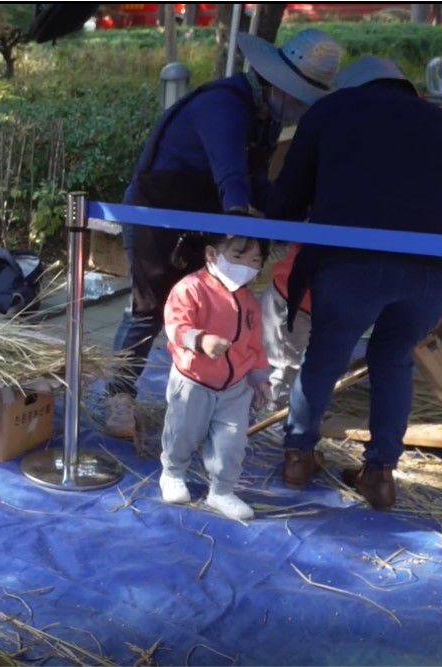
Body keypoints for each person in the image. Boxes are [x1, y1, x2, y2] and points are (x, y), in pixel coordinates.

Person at [103, 29, 343, 440]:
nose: (299, 108)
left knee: (210, 307)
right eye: (298, 97)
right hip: (157, 210)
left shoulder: (265, 118)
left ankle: (201, 395)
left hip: (204, 214)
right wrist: (238, 225)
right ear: (275, 82)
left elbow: (254, 181)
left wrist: (293, 216)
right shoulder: (223, 104)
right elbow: (231, 176)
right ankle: (118, 396)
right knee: (149, 308)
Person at [269, 55, 442, 509]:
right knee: (394, 362)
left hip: (351, 263)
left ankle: (298, 457)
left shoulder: (331, 109)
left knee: (324, 356)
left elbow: (287, 200)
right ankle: (381, 475)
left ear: (351, 86)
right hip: (431, 268)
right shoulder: (437, 119)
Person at [159, 234, 272, 521]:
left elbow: (255, 345)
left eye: (255, 260)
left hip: (235, 387)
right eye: (238, 257)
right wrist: (200, 340)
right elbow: (176, 326)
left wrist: (260, 378)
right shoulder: (190, 288)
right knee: (183, 431)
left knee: (232, 441)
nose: (246, 266)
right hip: (193, 380)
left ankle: (222, 491)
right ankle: (173, 473)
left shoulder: (250, 302)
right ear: (212, 254)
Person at [258, 243, 312, 411]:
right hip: (293, 299)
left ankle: (273, 409)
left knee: (284, 367)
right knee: (282, 368)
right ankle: (272, 413)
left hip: (301, 297)